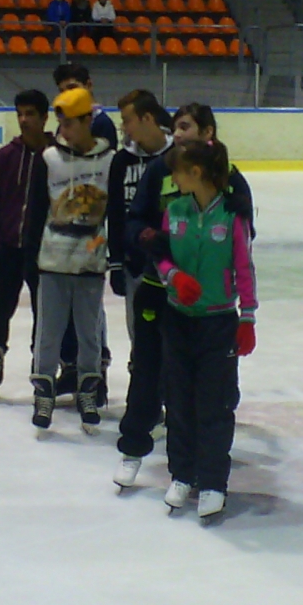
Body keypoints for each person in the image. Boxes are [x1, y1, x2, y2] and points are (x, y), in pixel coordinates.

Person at [146, 139, 256, 520]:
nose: (172, 179)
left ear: (195, 172)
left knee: (214, 403)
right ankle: (182, 472)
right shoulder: (174, 210)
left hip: (218, 323)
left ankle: (212, 481)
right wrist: (173, 277)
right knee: (177, 400)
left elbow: (244, 269)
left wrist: (248, 317)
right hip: (177, 320)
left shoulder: (232, 216)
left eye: (176, 172)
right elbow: (160, 256)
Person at [24, 87, 115, 431]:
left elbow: (114, 216)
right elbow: (35, 212)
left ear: (88, 120)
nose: (63, 129)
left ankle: (88, 391)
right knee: (48, 332)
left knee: (90, 333)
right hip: (52, 262)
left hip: (90, 264)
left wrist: (106, 249)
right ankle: (43, 392)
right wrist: (30, 257)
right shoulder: (48, 159)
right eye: (61, 122)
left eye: (71, 123)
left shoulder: (110, 160)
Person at [105, 90, 173, 488]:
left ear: (147, 119)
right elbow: (116, 213)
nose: (124, 128)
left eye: (128, 120)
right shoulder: (122, 161)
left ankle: (169, 405)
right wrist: (116, 261)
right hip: (136, 268)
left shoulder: (175, 158)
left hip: (171, 269)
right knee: (141, 343)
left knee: (170, 341)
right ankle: (149, 410)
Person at [51, 63, 116, 397]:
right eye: (64, 89)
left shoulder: (100, 124)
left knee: (90, 305)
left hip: (92, 232)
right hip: (70, 232)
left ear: (89, 85)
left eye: (75, 86)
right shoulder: (65, 125)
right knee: (71, 304)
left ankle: (95, 370)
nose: (70, 94)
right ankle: (74, 367)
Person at [0, 89, 49, 395]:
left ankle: (41, 365)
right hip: (8, 246)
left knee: (43, 311)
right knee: (0, 307)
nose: (23, 120)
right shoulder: (7, 156)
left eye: (30, 114)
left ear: (44, 117)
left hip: (41, 249)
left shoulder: (54, 156)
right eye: (19, 113)